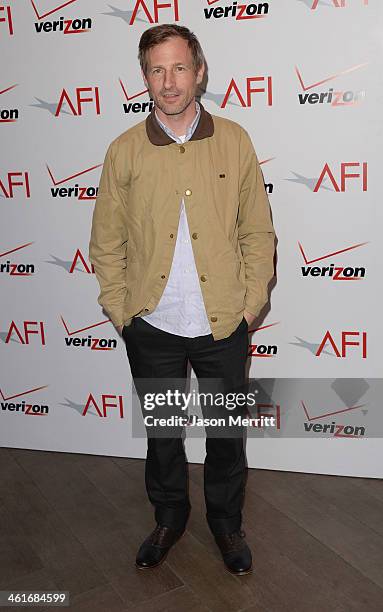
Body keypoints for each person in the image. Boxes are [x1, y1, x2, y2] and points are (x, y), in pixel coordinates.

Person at [89, 23, 275, 575]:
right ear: (144, 76)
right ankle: (169, 518)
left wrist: (248, 304)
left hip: (223, 322)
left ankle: (226, 525)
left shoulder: (235, 139)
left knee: (225, 436)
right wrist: (124, 312)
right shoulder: (123, 151)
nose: (169, 82)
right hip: (153, 324)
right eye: (156, 69)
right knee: (164, 436)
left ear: (198, 71)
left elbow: (257, 231)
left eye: (178, 68)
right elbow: (106, 240)